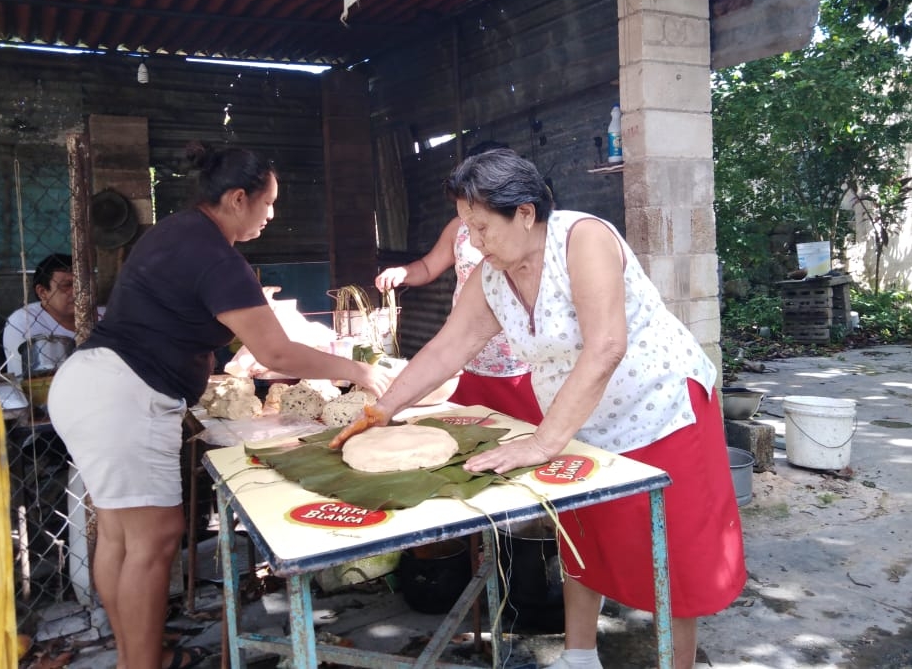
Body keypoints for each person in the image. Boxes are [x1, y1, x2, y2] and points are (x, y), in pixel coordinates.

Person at [336, 149, 746, 669]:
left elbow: (606, 347)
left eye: (483, 229)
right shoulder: (492, 275)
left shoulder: (583, 239)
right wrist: (383, 408)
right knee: (582, 531)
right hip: (581, 415)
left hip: (660, 407)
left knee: (670, 545)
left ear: (525, 212)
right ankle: (580, 656)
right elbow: (447, 347)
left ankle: (678, 663)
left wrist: (545, 442)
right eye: (468, 229)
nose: (476, 243)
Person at [47, 143, 395, 669]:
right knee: (156, 538)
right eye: (269, 203)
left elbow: (222, 330)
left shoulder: (176, 232)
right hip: (126, 396)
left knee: (121, 536)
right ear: (238, 199)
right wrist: (361, 371)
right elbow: (275, 350)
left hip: (88, 385)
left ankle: (136, 657)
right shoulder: (216, 255)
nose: (273, 214)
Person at [374, 142, 543, 424]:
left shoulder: (560, 240)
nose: (477, 241)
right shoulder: (464, 236)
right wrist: (403, 272)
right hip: (468, 361)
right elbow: (429, 268)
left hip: (519, 366)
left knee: (522, 434)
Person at [1, 253, 103, 377]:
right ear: (43, 292)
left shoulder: (105, 315)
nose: (78, 291)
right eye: (67, 286)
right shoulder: (24, 321)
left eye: (83, 284)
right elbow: (37, 377)